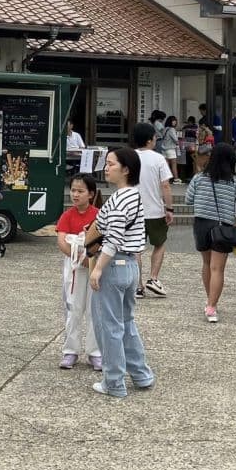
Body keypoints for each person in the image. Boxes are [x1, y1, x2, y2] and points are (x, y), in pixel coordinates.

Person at [89, 147, 154, 397]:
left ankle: (114, 382)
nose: (107, 168)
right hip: (130, 266)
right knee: (126, 323)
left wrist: (98, 270)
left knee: (109, 327)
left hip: (113, 264)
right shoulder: (135, 196)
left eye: (111, 164)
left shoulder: (118, 199)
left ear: (126, 169)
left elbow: (113, 237)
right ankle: (141, 374)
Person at [186, 143, 236, 323]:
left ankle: (210, 300)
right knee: (217, 268)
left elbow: (188, 200)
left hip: (201, 224)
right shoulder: (235, 182)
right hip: (223, 227)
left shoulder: (199, 178)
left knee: (206, 263)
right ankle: (211, 307)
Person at [55, 174, 101, 371]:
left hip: (94, 264)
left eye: (80, 191)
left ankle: (95, 352)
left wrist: (88, 257)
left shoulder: (99, 214)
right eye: (73, 190)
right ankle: (70, 351)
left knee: (94, 310)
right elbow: (61, 241)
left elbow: (102, 239)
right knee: (73, 308)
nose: (75, 194)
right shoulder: (67, 215)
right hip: (74, 267)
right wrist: (77, 258)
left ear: (90, 194)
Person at [132, 122, 173, 298]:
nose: (156, 140)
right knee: (160, 243)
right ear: (150, 140)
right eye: (155, 137)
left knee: (135, 249)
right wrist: (169, 207)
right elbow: (165, 185)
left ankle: (137, 286)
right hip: (155, 210)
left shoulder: (129, 157)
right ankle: (153, 278)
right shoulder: (158, 159)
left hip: (132, 209)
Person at [161, 115, 181, 184]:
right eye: (173, 121)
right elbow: (175, 139)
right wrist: (178, 142)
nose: (175, 122)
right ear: (170, 121)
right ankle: (176, 179)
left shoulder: (165, 128)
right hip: (170, 149)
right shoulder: (172, 129)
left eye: (175, 120)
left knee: (166, 165)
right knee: (174, 164)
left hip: (164, 149)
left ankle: (167, 179)